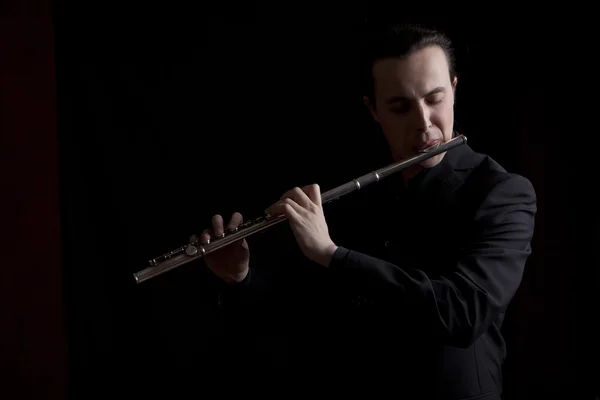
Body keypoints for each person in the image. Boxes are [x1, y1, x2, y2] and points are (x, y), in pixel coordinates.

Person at [192, 24, 536, 399]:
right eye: (401, 107)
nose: (423, 123)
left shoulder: (501, 193)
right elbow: (303, 326)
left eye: (434, 98)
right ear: (373, 110)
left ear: (453, 90)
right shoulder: (360, 197)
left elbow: (462, 313)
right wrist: (240, 278)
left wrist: (331, 255)